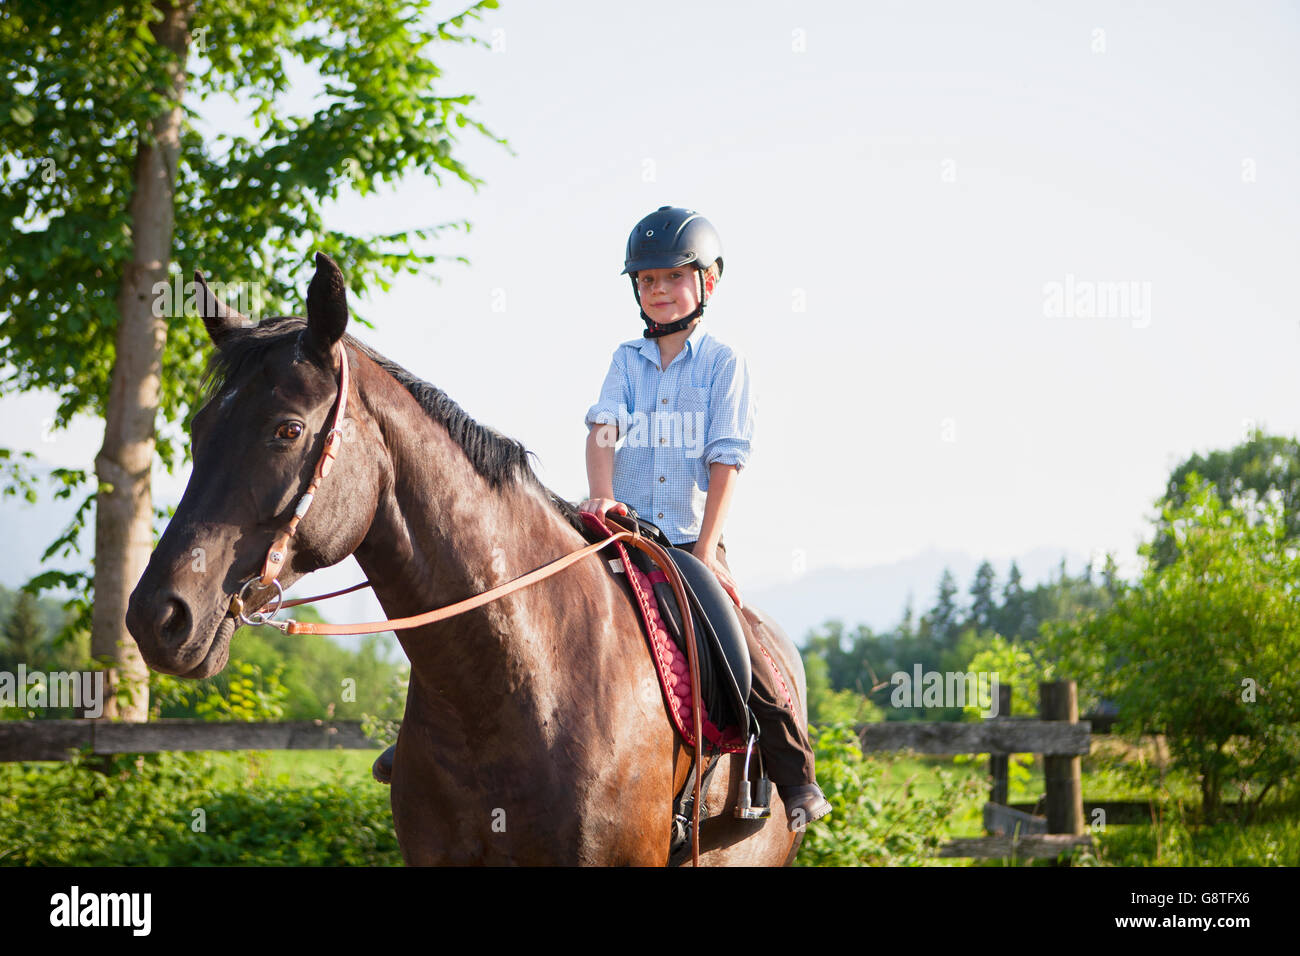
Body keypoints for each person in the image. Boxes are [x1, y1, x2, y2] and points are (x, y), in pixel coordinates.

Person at [578, 205, 831, 830]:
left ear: (707, 284)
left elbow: (727, 460)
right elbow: (603, 427)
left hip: (694, 536)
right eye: (647, 281)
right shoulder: (625, 360)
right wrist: (600, 496)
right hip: (626, 528)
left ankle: (793, 777)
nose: (658, 291)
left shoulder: (725, 364)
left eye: (671, 278)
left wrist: (707, 551)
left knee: (736, 642)